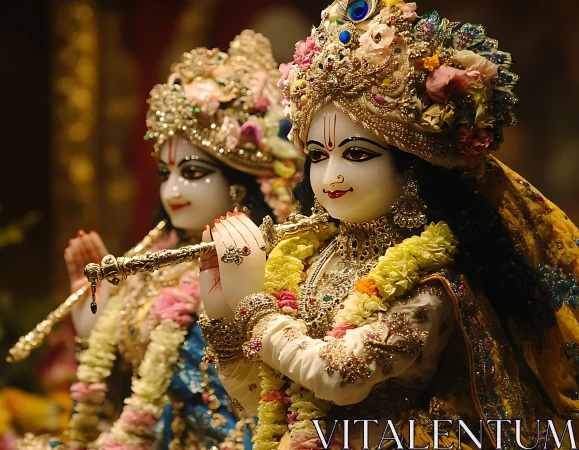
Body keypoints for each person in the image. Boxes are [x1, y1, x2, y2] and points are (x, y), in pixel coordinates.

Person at [198, 2, 575, 449]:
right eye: (317, 156)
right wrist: (223, 315)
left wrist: (255, 311)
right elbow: (259, 402)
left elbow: (341, 375)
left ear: (414, 170)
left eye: (356, 154)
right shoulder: (309, 259)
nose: (330, 176)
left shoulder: (434, 278)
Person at [62, 31, 300, 450]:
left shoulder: (268, 260)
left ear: (239, 182)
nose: (171, 190)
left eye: (192, 173)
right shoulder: (158, 260)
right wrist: (91, 319)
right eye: (164, 174)